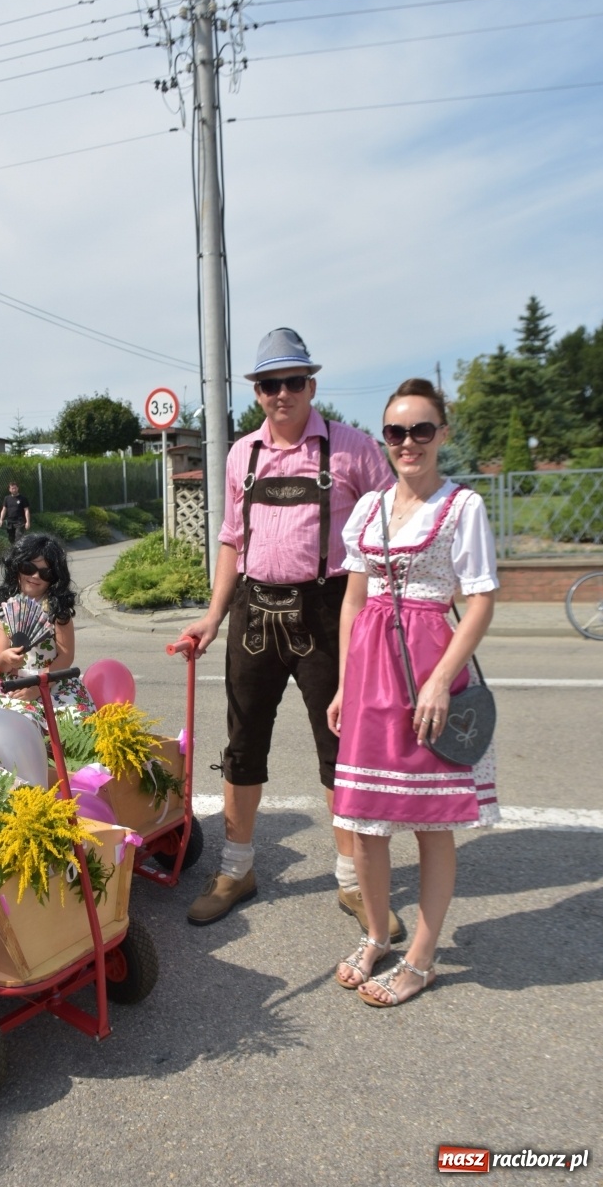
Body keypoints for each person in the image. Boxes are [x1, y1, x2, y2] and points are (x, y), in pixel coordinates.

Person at [180, 327, 398, 928]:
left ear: (311, 385)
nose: (282, 394)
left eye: (293, 382)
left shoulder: (353, 449)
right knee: (242, 743)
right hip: (254, 610)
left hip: (328, 613)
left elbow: (386, 534)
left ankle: (354, 880)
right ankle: (237, 867)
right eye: (270, 384)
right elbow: (230, 541)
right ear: (257, 392)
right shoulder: (241, 454)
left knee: (339, 749)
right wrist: (213, 615)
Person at [327, 377, 500, 1007]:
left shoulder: (463, 506)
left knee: (430, 820)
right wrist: (345, 683)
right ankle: (377, 934)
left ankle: (421, 958)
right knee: (364, 818)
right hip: (370, 669)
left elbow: (479, 602)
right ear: (385, 438)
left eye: (421, 430)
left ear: (441, 436)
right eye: (396, 431)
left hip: (432, 665)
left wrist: (438, 681)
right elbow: (352, 601)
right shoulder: (369, 508)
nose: (408, 442)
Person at [0, 533, 95, 740]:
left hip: (54, 680)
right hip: (16, 684)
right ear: (16, 567)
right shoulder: (4, 612)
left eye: (45, 573)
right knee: (20, 727)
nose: (35, 576)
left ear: (54, 578)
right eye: (29, 568)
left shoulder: (56, 610)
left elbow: (65, 656)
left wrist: (40, 686)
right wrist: (7, 659)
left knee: (76, 723)